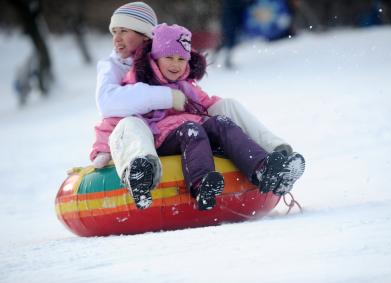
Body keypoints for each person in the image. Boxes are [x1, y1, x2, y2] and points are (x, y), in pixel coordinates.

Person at [92, 2, 303, 209]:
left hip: (185, 128)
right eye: (114, 31)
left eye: (124, 31)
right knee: (141, 124)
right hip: (154, 136)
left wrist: (210, 115)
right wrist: (167, 97)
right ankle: (142, 173)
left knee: (224, 109)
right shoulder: (116, 68)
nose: (116, 38)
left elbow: (200, 99)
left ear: (146, 36)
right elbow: (110, 109)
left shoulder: (171, 66)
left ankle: (273, 160)